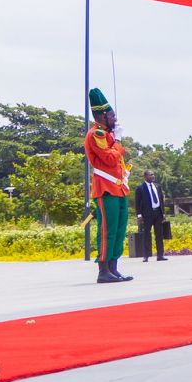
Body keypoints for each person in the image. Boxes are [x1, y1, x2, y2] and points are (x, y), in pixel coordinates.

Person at [84, 87, 133, 283]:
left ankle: (113, 268)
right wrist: (119, 141)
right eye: (112, 116)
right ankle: (103, 271)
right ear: (102, 116)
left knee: (120, 229)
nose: (115, 120)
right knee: (107, 229)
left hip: (119, 187)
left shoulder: (108, 135)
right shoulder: (96, 134)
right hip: (105, 187)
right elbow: (110, 158)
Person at [133, 169, 168, 262]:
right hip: (147, 215)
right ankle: (146, 255)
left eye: (153, 174)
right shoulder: (140, 188)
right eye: (150, 175)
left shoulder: (157, 186)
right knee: (147, 235)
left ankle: (160, 255)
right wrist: (139, 215)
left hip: (158, 213)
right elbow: (137, 203)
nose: (153, 176)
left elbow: (161, 201)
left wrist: (163, 213)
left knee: (159, 235)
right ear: (145, 176)